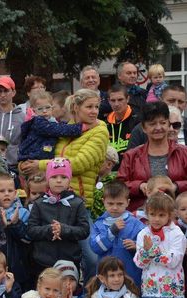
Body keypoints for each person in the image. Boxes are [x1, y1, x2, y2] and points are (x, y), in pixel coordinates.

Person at [20, 88, 109, 284]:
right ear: (76, 108)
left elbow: (77, 163)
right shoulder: (65, 128)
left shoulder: (100, 130)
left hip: (78, 201)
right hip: (51, 199)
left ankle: (91, 293)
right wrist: (26, 161)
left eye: (97, 107)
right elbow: (48, 152)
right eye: (89, 107)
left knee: (91, 255)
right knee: (52, 255)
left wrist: (39, 165)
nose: (94, 111)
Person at [118, 101, 187, 212]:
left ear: (169, 124)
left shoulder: (184, 153)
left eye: (163, 122)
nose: (158, 127)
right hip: (141, 218)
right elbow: (119, 186)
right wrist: (140, 186)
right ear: (144, 128)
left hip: (179, 217)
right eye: (152, 124)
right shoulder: (131, 156)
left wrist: (176, 187)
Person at [27, 158, 90, 274]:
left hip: (69, 261)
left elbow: (84, 230)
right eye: (54, 177)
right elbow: (31, 230)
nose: (59, 181)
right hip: (43, 261)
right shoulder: (39, 203)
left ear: (69, 180)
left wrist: (64, 229)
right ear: (47, 180)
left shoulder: (77, 203)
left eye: (64, 177)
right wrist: (50, 229)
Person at [90, 181, 145, 285]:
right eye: (110, 203)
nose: (115, 207)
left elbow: (148, 246)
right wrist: (111, 231)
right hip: (106, 277)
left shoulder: (136, 224)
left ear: (128, 202)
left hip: (130, 277)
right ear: (103, 202)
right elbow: (95, 247)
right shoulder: (99, 224)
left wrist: (136, 245)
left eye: (119, 204)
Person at [18, 90, 90, 166]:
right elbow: (58, 129)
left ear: (52, 107)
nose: (44, 111)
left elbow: (58, 125)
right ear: (33, 110)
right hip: (32, 161)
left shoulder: (51, 121)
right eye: (40, 109)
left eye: (47, 107)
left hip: (42, 161)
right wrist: (81, 127)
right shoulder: (38, 122)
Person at [0, 173, 31, 289]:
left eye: (10, 190)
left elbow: (28, 238)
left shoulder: (23, 212)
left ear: (16, 193)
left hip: (20, 268)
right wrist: (0, 225)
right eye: (2, 191)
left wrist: (16, 224)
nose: (6, 193)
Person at [106, 84, 141, 167]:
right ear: (109, 101)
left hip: (132, 170)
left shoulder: (139, 120)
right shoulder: (104, 124)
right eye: (113, 100)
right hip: (109, 172)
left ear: (128, 99)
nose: (116, 104)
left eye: (120, 99)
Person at [91, 146, 120, 220]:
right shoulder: (92, 179)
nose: (94, 162)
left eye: (98, 160)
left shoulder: (115, 182)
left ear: (109, 165)